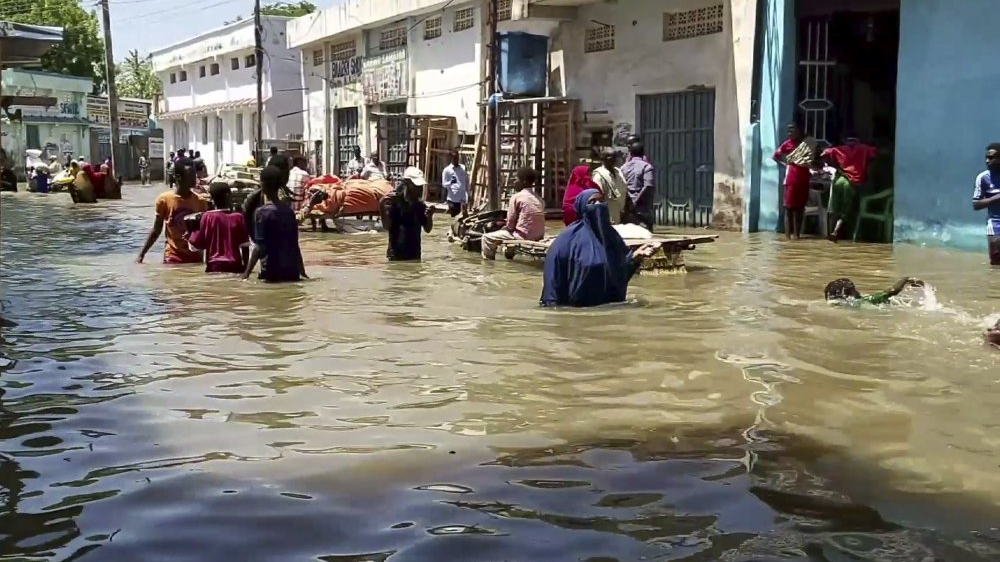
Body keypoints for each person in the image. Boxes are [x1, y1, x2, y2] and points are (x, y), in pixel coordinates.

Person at [541, 188, 659, 308]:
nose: (598, 205)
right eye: (592, 202)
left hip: (612, 313)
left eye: (601, 200)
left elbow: (619, 271)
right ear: (582, 208)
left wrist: (635, 257)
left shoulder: (611, 237)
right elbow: (552, 283)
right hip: (579, 315)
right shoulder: (565, 242)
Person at [137, 157, 209, 264]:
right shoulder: (164, 200)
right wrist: (141, 255)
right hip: (172, 255)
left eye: (194, 174)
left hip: (195, 257)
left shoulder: (201, 201)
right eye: (190, 175)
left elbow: (206, 232)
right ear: (178, 177)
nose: (194, 178)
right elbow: (156, 229)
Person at [243, 165, 307, 282]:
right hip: (291, 271)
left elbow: (259, 246)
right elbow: (295, 246)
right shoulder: (289, 212)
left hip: (272, 272)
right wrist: (302, 272)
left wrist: (246, 274)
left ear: (262, 185)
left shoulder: (261, 213)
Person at [481, 167, 545, 260]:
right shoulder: (539, 199)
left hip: (522, 236)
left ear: (523, 181)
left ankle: (488, 265)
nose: (514, 181)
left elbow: (510, 225)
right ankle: (509, 253)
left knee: (486, 238)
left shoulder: (516, 197)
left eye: (516, 179)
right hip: (539, 235)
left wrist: (501, 227)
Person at [823, 138, 878, 241]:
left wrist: (837, 167)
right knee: (846, 210)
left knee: (833, 208)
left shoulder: (839, 149)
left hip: (839, 180)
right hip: (851, 183)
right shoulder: (864, 149)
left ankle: (830, 233)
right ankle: (836, 231)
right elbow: (876, 153)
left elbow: (823, 154)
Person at [188, 182, 250, 274]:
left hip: (214, 266)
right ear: (229, 196)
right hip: (235, 266)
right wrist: (246, 268)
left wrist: (191, 231)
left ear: (212, 199)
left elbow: (194, 246)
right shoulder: (238, 217)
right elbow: (245, 246)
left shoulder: (206, 217)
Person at [380, 167, 435, 261]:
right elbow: (386, 226)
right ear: (407, 184)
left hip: (414, 255)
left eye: (421, 186)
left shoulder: (419, 205)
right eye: (416, 186)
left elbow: (427, 229)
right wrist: (381, 205)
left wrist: (429, 216)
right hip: (396, 256)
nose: (420, 189)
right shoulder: (394, 202)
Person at [773, 121, 817, 240]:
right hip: (791, 179)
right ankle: (788, 236)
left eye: (793, 130)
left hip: (804, 179)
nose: (790, 133)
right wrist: (786, 163)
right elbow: (776, 156)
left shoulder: (808, 144)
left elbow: (815, 158)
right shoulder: (787, 144)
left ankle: (797, 236)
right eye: (789, 131)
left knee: (800, 208)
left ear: (799, 131)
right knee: (788, 208)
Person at [973, 142, 1000, 265]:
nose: (987, 161)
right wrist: (996, 198)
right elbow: (976, 204)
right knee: (996, 263)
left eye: (991, 158)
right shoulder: (983, 178)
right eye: (986, 158)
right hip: (995, 224)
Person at [621, 142, 656, 231]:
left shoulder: (623, 167)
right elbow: (648, 186)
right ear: (643, 153)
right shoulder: (647, 167)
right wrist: (636, 201)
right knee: (646, 236)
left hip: (627, 207)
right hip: (642, 207)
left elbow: (621, 185)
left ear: (631, 153)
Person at [823, 277, 924, 306]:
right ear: (849, 294)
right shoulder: (864, 301)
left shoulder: (832, 305)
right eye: (854, 290)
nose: (858, 292)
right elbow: (892, 291)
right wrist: (906, 279)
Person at [591, 148, 627, 225]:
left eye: (615, 156)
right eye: (611, 156)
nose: (614, 159)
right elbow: (597, 197)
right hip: (606, 216)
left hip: (618, 213)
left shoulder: (618, 172)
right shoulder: (599, 175)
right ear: (603, 158)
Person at [441, 148, 470, 217]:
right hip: (452, 199)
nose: (456, 159)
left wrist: (469, 194)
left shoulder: (463, 168)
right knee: (454, 218)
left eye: (457, 157)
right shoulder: (447, 170)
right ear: (451, 158)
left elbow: (466, 181)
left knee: (464, 218)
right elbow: (444, 184)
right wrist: (451, 182)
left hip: (462, 199)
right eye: (454, 158)